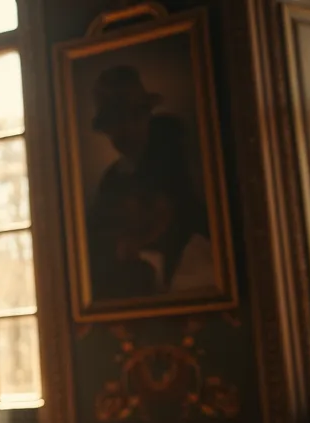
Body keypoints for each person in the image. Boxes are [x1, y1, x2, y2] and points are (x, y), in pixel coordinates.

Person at [85, 65, 214, 301]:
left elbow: (182, 216)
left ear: (145, 115)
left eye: (131, 118)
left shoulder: (176, 155)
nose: (123, 132)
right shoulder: (111, 180)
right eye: (113, 125)